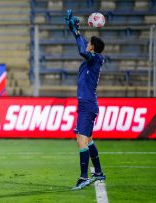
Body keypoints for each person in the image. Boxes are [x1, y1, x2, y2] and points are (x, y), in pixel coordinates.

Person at [64, 10, 106, 190]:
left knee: (81, 139)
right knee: (87, 139)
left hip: (88, 104)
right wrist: (76, 31)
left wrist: (77, 32)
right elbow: (82, 47)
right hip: (86, 104)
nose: (87, 44)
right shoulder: (94, 59)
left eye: (89, 43)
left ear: (92, 47)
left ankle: (83, 177)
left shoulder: (95, 58)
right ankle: (97, 172)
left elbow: (82, 49)